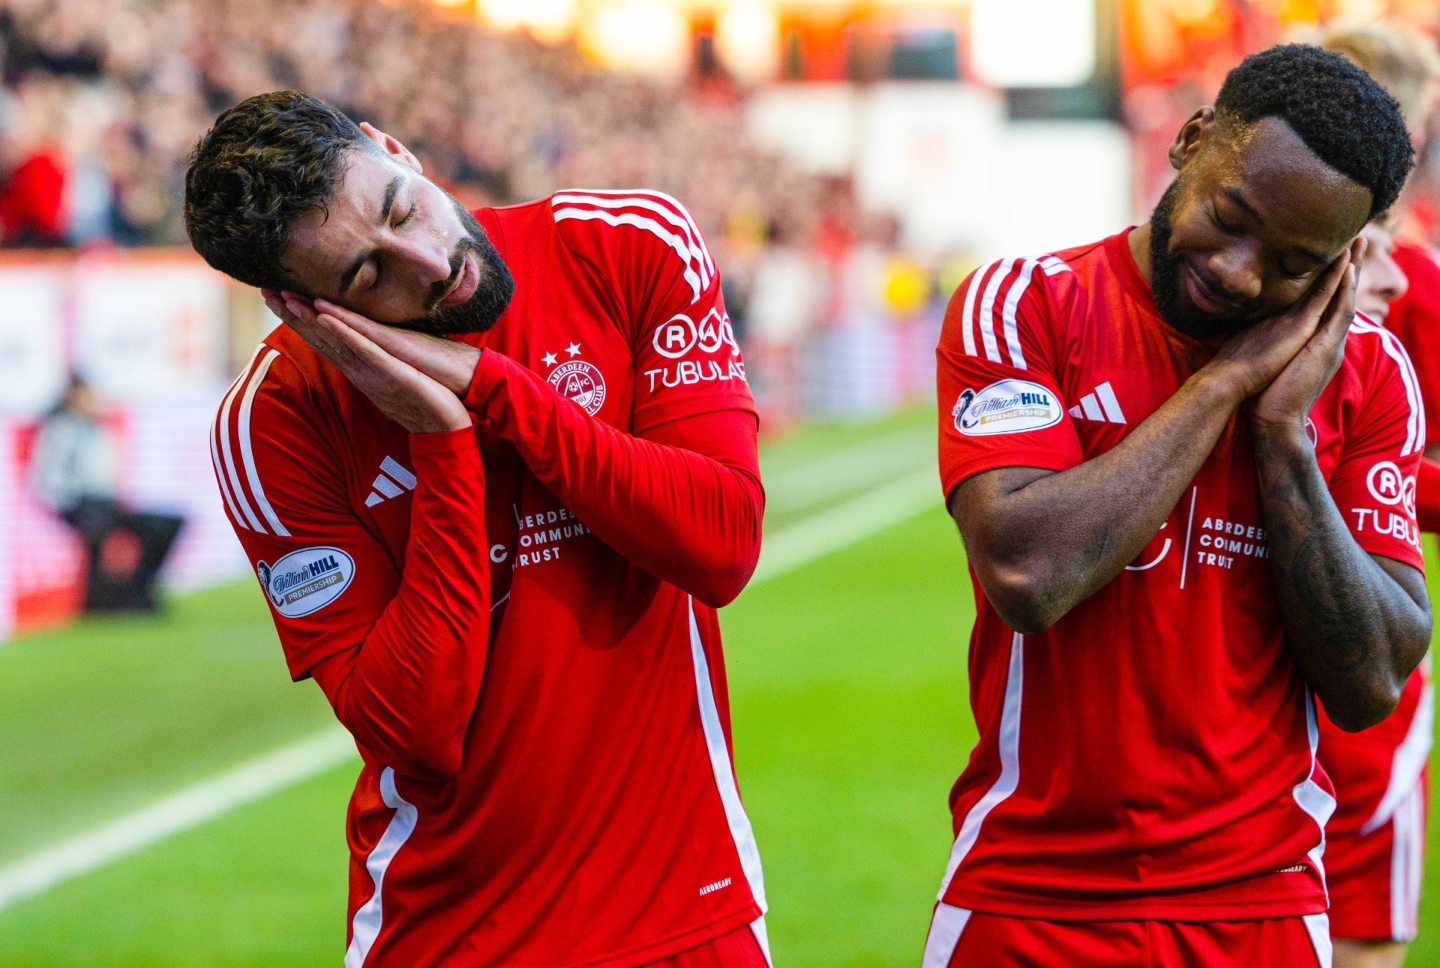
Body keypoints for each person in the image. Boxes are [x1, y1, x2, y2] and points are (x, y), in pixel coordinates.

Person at [183, 92, 770, 967]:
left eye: (397, 207)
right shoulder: (271, 420)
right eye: (366, 276)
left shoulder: (625, 242)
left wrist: (494, 389)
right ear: (300, 306)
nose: (426, 261)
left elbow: (720, 545)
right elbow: (417, 731)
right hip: (451, 935)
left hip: (687, 914)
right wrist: (440, 441)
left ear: (393, 147)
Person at [926, 45, 1428, 967]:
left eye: (1291, 263)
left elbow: (1373, 685)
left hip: (1263, 909)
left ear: (1343, 261)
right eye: (1230, 218)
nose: (1240, 274)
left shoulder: (1369, 375)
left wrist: (1284, 439)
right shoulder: (1026, 304)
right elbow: (1029, 574)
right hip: (1032, 899)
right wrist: (1228, 383)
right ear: (1193, 139)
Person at [1316, 25, 1439, 968]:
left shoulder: (1407, 272)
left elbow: (1401, 454)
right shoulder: (1407, 275)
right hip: (1344, 631)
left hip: (1350, 605)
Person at [29, 374, 184, 611]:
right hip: (82, 505)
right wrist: (74, 505)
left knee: (159, 527)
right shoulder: (62, 429)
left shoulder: (97, 429)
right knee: (111, 536)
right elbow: (49, 480)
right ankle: (124, 599)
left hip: (104, 503)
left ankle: (135, 593)